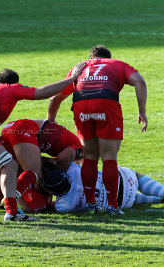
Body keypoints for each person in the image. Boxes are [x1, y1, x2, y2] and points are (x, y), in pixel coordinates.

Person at [0, 63, 85, 222]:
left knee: (1, 164)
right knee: (32, 175)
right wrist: (72, 78)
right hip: (15, 130)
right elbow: (42, 92)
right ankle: (12, 205)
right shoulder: (9, 89)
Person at [47, 45, 148, 215]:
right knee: (109, 157)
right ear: (108, 57)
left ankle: (90, 203)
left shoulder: (80, 67)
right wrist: (142, 112)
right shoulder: (117, 64)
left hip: (81, 106)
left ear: (91, 57)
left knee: (90, 157)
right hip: (106, 103)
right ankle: (112, 206)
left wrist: (50, 120)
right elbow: (140, 81)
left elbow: (56, 96)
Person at [54, 161, 164, 213]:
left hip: (124, 203)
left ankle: (158, 199)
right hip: (126, 182)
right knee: (136, 175)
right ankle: (162, 192)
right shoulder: (73, 169)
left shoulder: (62, 205)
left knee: (127, 196)